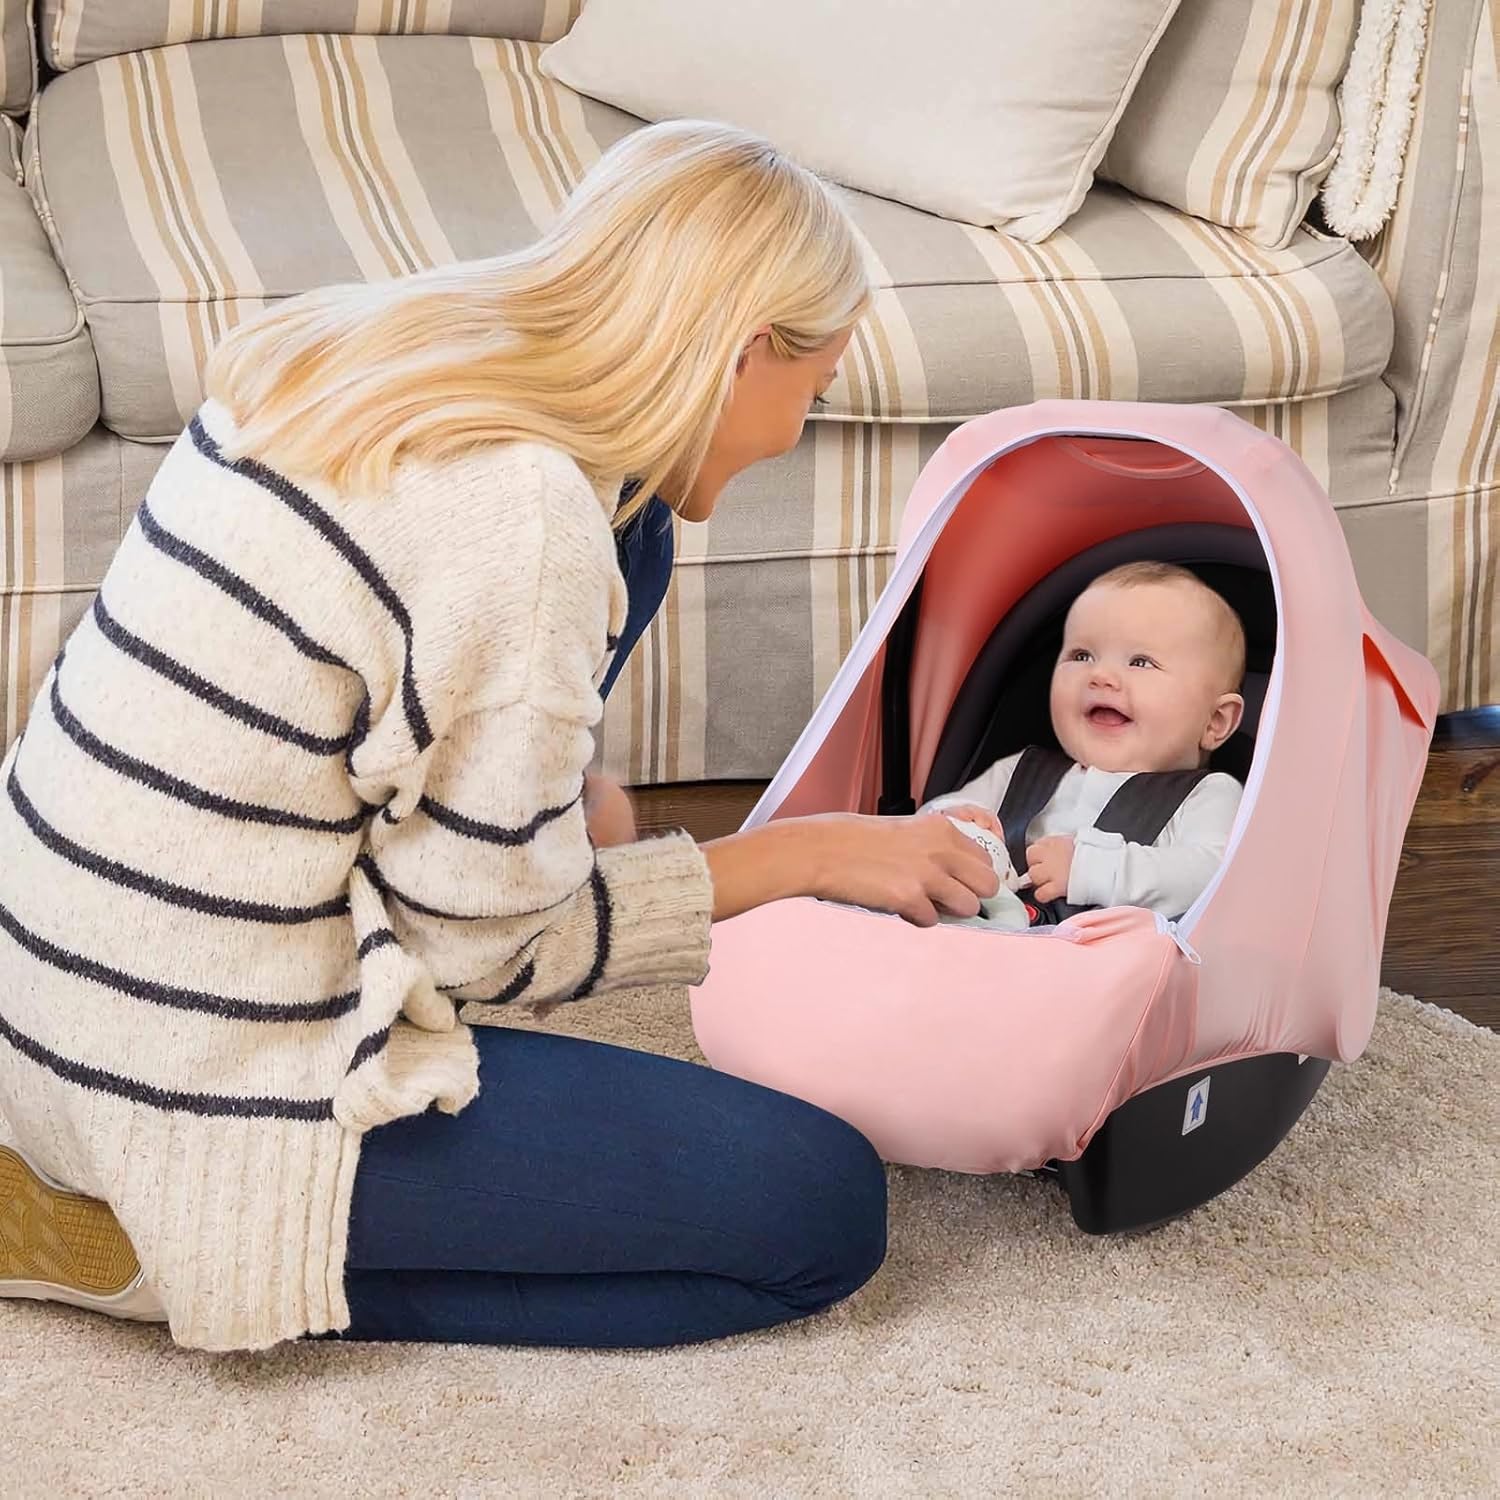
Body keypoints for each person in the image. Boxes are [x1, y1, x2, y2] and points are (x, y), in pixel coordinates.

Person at [0, 121, 1001, 1353]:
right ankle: (189, 1251)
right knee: (819, 1208)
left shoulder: (371, 351)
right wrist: (812, 856)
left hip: (46, 974)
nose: (799, 427)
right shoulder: (525, 522)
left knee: (641, 521)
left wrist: (559, 801)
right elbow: (492, 954)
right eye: (817, 387)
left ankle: (499, 843)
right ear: (747, 353)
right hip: (193, 1066)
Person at [924, 562, 1247, 928]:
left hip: (1101, 959)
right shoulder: (1019, 772)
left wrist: (1096, 870)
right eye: (1082, 656)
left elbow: (1213, 875)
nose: (1101, 675)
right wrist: (954, 819)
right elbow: (921, 829)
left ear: (1215, 721)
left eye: (1141, 662)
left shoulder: (1209, 795)